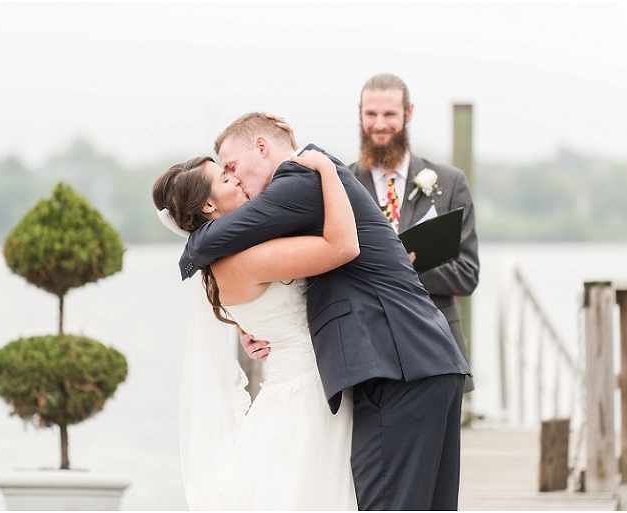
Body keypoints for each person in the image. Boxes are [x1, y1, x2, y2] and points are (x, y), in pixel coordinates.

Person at [179, 113, 471, 510]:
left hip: (400, 369)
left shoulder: (302, 179)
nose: (234, 178)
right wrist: (255, 323)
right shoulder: (304, 180)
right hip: (419, 362)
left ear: (262, 147)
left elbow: (221, 236)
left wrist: (190, 249)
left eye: (232, 166)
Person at [153, 148, 359, 509]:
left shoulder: (228, 255)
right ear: (208, 207)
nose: (235, 178)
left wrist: (246, 328)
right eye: (224, 178)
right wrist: (327, 168)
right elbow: (340, 246)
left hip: (301, 383)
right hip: (312, 394)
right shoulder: (241, 259)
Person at [349, 73, 479, 393]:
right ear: (360, 113)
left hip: (437, 352)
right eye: (371, 114)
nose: (379, 124)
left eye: (390, 114)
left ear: (408, 113)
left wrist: (409, 266)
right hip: (365, 356)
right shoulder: (341, 185)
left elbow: (467, 275)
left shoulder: (450, 183)